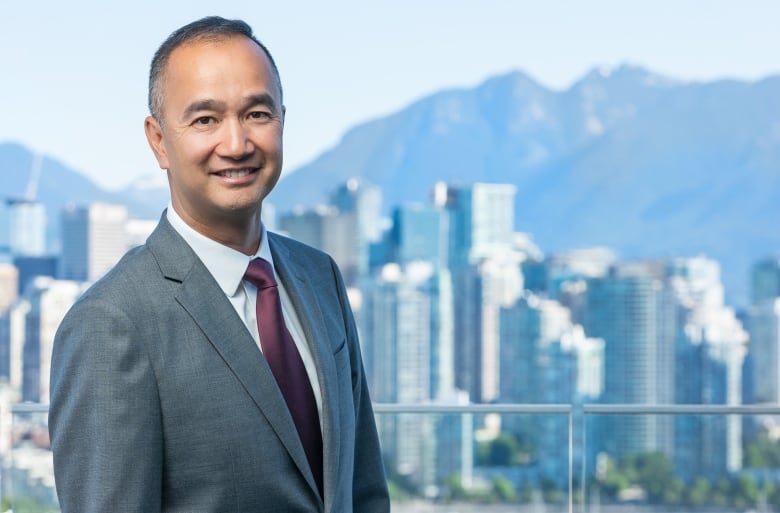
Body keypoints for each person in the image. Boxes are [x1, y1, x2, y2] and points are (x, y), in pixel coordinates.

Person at [48, 16, 390, 513]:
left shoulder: (321, 278)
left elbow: (364, 490)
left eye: (257, 114)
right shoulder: (111, 323)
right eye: (205, 119)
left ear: (282, 121)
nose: (236, 144)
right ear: (159, 139)